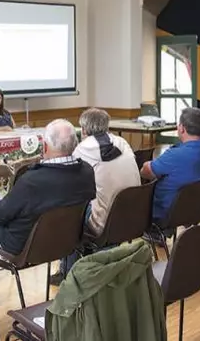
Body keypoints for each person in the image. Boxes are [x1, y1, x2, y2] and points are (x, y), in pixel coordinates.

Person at [0, 119, 96, 306]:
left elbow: (1, 217)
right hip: (66, 240)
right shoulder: (87, 172)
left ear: (45, 146)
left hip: (23, 246)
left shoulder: (33, 180)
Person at [51, 108, 142, 285]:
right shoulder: (123, 142)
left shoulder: (82, 150)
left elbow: (70, 187)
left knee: (68, 213)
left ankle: (69, 273)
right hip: (132, 219)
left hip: (103, 224)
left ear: (83, 130)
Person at [140, 107, 200, 221]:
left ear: (182, 128)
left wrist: (147, 164)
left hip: (165, 212)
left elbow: (146, 172)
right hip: (197, 208)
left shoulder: (174, 155)